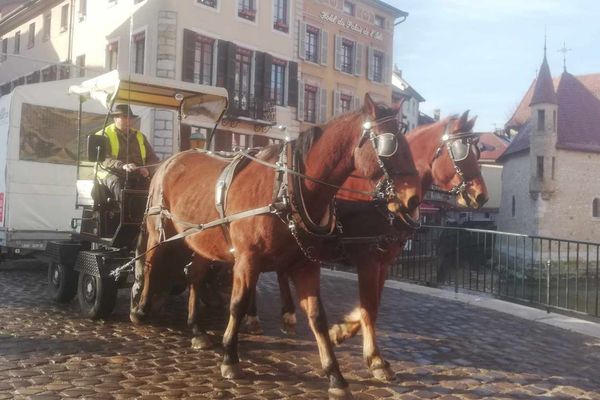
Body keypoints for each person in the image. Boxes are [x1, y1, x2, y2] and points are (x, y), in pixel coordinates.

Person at [95, 104, 160, 203]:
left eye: (130, 118)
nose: (128, 121)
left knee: (153, 186)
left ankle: (148, 216)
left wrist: (147, 168)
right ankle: (123, 215)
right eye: (124, 117)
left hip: (136, 174)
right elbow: (103, 158)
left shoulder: (140, 136)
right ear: (115, 118)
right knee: (119, 184)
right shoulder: (104, 134)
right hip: (111, 173)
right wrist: (123, 166)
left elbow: (152, 157)